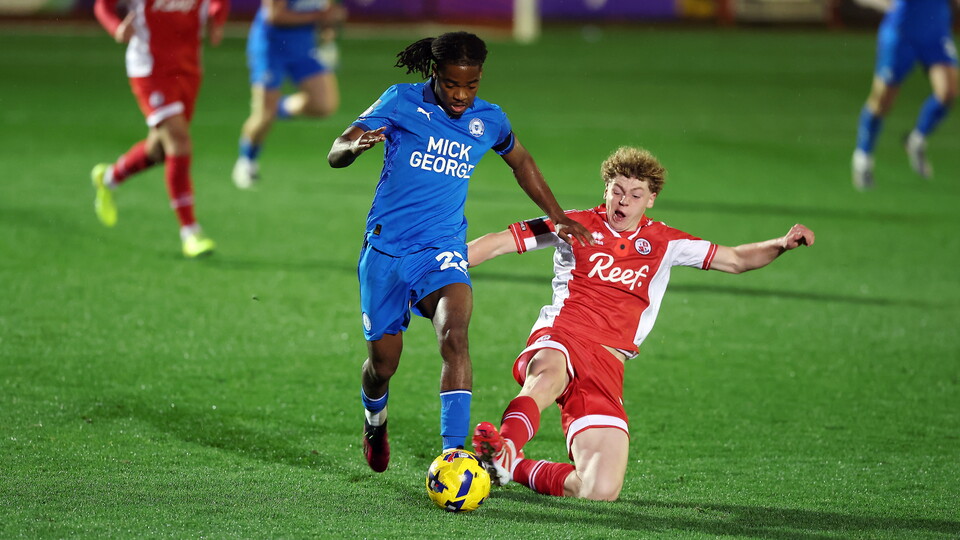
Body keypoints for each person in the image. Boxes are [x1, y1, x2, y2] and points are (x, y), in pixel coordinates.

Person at [468, 146, 815, 500]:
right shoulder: (573, 223)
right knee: (548, 377)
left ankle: (511, 466)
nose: (623, 202)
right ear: (605, 189)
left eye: (635, 195)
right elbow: (497, 244)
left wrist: (782, 244)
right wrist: (444, 262)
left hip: (608, 363)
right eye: (617, 191)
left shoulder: (666, 242)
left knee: (599, 489)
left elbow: (737, 259)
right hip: (564, 335)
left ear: (651, 199)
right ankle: (506, 444)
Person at [326, 31, 593, 473]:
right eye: (453, 84)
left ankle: (453, 456)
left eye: (471, 86)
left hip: (443, 249)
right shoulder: (399, 101)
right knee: (383, 364)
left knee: (455, 334)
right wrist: (354, 147)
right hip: (387, 251)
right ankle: (375, 421)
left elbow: (521, 161)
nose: (462, 96)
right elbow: (336, 151)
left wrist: (557, 214)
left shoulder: (489, 120)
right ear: (435, 74)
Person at [90, 0, 228, 258]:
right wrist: (115, 27)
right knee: (179, 141)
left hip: (188, 67)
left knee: (160, 149)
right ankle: (190, 232)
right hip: (150, 68)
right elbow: (103, 4)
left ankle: (108, 178)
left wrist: (217, 18)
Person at [232, 0, 346, 189]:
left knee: (323, 105)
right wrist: (319, 16)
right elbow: (274, 16)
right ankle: (246, 161)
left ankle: (276, 107)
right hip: (271, 47)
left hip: (303, 46)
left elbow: (327, 12)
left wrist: (329, 34)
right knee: (263, 116)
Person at [851, 0, 958, 190]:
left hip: (936, 31)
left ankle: (916, 140)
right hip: (901, 33)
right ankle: (863, 158)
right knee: (882, 101)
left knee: (948, 92)